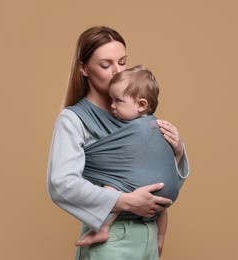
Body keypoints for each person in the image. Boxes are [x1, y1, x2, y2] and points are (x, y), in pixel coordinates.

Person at [47, 26, 189, 260]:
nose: (117, 71)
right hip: (111, 238)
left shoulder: (135, 111)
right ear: (84, 69)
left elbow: (151, 179)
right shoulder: (73, 120)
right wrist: (126, 201)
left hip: (149, 235)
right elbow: (61, 184)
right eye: (105, 65)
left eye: (122, 62)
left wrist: (178, 151)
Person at [74, 65, 184, 256]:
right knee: (161, 210)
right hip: (162, 199)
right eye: (111, 100)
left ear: (141, 105)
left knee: (112, 190)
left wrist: (179, 149)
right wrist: (178, 155)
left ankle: (103, 228)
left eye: (118, 101)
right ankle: (161, 237)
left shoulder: (134, 129)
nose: (112, 106)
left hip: (141, 195)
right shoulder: (155, 125)